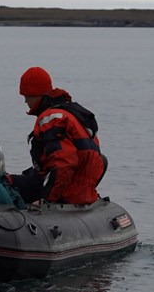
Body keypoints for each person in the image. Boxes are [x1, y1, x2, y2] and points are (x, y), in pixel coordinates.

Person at [8, 67, 105, 204]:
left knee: (5, 183)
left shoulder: (51, 119)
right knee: (23, 177)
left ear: (35, 94)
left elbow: (63, 163)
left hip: (67, 193)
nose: (25, 102)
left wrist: (47, 200)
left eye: (26, 97)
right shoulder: (72, 114)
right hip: (84, 192)